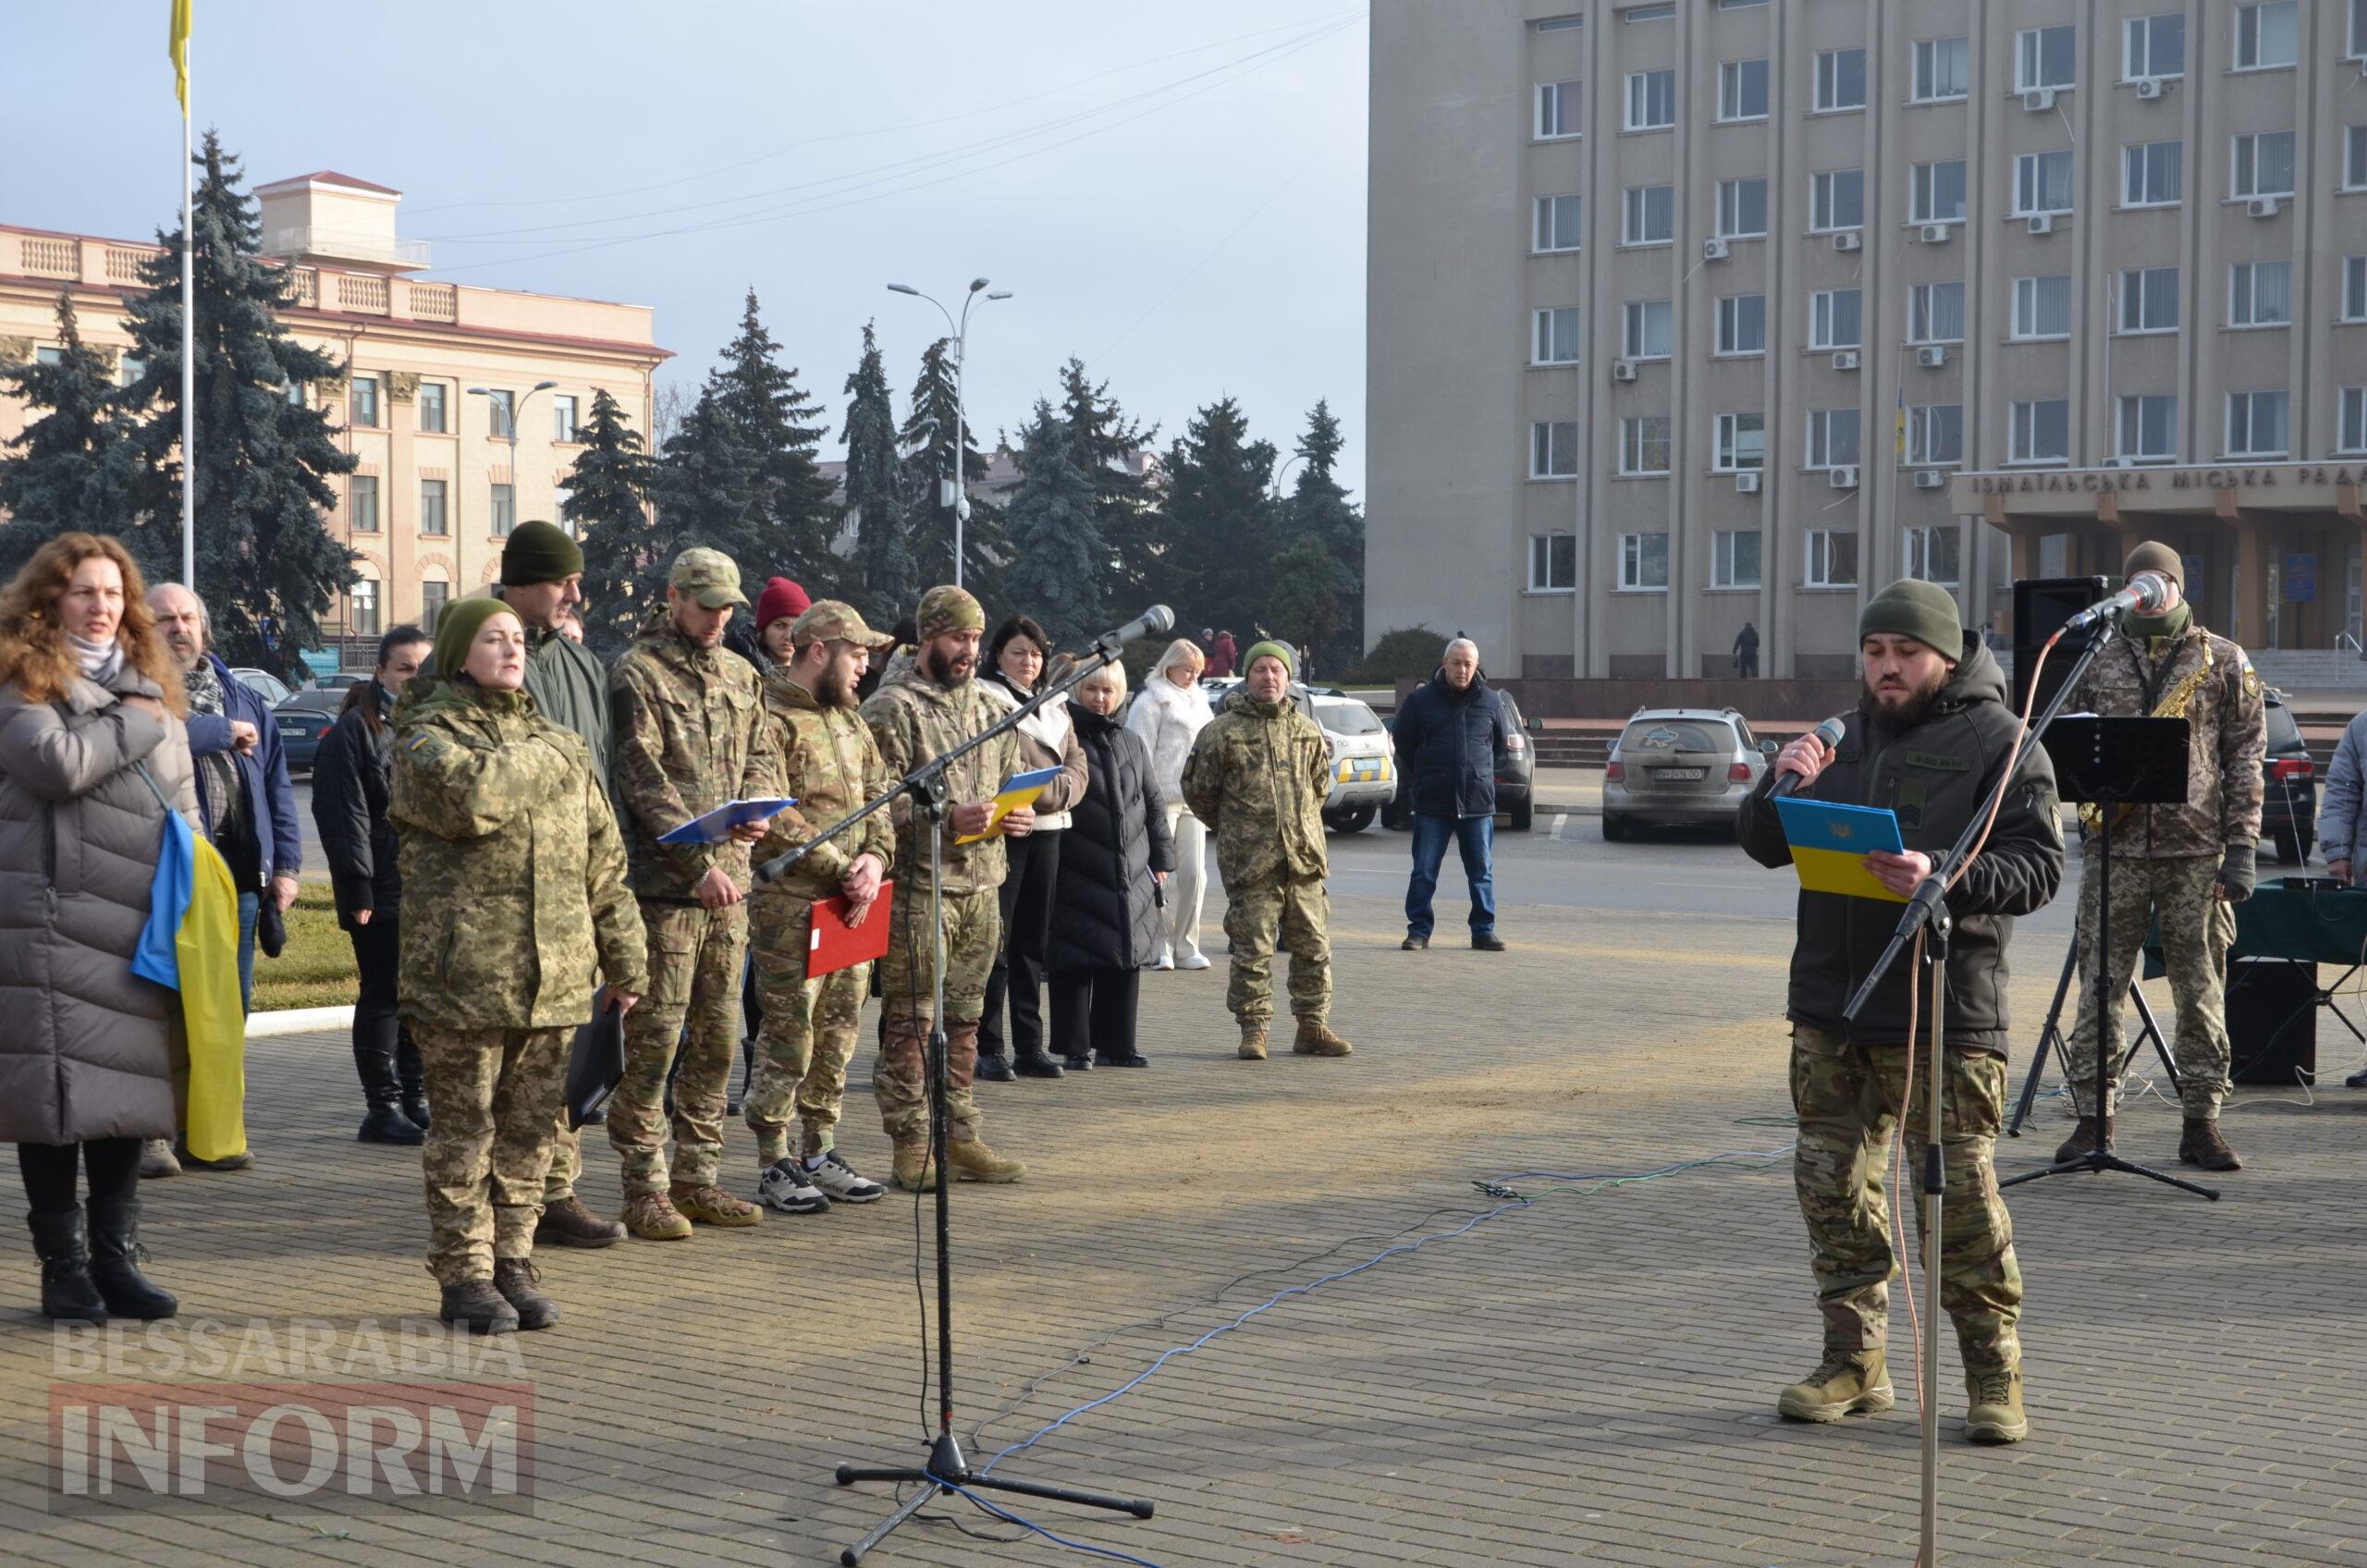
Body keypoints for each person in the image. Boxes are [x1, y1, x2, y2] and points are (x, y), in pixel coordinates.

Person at [1738, 577, 2063, 1446]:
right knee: (1832, 1195)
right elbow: (1765, 845)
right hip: (1833, 1008)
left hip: (1944, 1013)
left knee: (1958, 1207)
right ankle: (1855, 1362)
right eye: (1875, 652)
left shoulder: (2000, 741)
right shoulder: (1838, 738)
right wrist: (1779, 781)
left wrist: (1941, 873)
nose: (1887, 669)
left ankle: (1995, 1375)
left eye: (1905, 653)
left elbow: (2038, 868)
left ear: (1945, 658)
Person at [390, 598, 646, 1332]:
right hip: (463, 979)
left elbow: (604, 860)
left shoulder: (556, 740)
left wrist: (626, 962)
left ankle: (512, 1259)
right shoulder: (423, 733)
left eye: (515, 640)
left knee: (535, 1135)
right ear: (457, 653)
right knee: (465, 1134)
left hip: (556, 980)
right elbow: (477, 798)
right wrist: (555, 752)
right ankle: (464, 1275)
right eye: (492, 639)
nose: (511, 650)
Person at [0, 533, 195, 1324]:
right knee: (53, 1104)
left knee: (126, 1098)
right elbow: (55, 766)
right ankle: (62, 1268)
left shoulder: (151, 685)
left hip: (135, 924)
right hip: (49, 920)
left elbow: (180, 802)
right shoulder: (21, 679)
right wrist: (137, 722)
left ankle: (117, 1261)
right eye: (85, 591)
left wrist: (198, 890)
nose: (103, 606)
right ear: (49, 598)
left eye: (115, 593)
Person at [2056, 542, 2264, 1173]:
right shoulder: (2098, 655)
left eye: (2157, 582)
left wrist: (2243, 848)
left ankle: (2202, 1123)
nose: (2147, 591)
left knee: (2200, 991)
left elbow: (2246, 758)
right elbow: (2063, 740)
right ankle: (2094, 1123)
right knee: (2099, 989)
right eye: (2137, 583)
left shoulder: (2222, 659)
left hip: (2196, 854)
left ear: (2175, 586)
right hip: (2113, 847)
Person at [605, 549, 776, 1239]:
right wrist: (698, 862)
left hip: (731, 890)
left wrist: (760, 807)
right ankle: (643, 1187)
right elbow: (641, 777)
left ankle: (697, 1178)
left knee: (716, 1043)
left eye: (728, 607)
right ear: (673, 597)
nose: (718, 618)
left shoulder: (741, 672)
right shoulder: (636, 672)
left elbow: (762, 747)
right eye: (706, 605)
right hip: (669, 895)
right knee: (655, 1044)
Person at [861, 584, 1032, 1190]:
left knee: (964, 1022)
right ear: (928, 637)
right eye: (958, 637)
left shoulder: (989, 707)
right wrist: (941, 817)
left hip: (983, 888)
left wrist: (1017, 812)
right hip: (920, 890)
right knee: (912, 1023)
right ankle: (911, 1144)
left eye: (976, 639)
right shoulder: (891, 708)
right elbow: (870, 802)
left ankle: (958, 1135)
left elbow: (1011, 777)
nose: (969, 650)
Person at [497, 520, 631, 1251]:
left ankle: (557, 1191)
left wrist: (614, 877)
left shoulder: (582, 665)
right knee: (515, 1057)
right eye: (561, 580)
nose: (576, 593)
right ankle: (505, 1197)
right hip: (513, 894)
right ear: (520, 581)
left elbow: (601, 773)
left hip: (581, 883)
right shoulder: (484, 653)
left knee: (570, 1045)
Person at [742, 601, 896, 1215]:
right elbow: (770, 807)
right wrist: (841, 867)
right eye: (857, 654)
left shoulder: (853, 723)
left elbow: (882, 794)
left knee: (838, 1034)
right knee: (790, 1035)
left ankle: (818, 1148)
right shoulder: (770, 718)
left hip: (854, 906)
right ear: (818, 652)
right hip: (793, 906)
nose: (864, 667)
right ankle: (773, 1158)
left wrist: (877, 860)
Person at [146, 583, 299, 1175]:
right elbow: (148, 744)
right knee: (161, 1011)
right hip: (164, 881)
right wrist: (218, 731)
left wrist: (285, 868)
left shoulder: (244, 695)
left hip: (237, 882)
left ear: (204, 629)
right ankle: (153, 1133)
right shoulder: (132, 691)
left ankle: (213, 1135)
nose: (178, 628)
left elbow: (278, 788)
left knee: (226, 1016)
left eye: (187, 618)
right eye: (164, 619)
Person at [1182, 641, 1352, 1062]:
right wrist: (1238, 830)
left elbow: (1320, 787)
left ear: (1289, 678)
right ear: (1248, 676)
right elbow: (1199, 792)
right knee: (1252, 951)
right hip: (1251, 865)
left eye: (1277, 670)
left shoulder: (1306, 730)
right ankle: (1254, 1030)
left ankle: (1312, 1027)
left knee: (1313, 946)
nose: (1269, 677)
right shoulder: (1222, 732)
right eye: (1260, 670)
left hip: (1304, 861)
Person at [311, 625, 435, 1145]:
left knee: (418, 997)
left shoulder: (429, 724)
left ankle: (415, 1096)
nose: (413, 679)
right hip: (381, 886)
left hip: (425, 886)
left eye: (422, 670)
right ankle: (381, 1108)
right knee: (383, 994)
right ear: (381, 671)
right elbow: (346, 817)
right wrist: (358, 888)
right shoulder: (355, 731)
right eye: (404, 669)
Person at [975, 616, 1088, 1081]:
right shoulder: (987, 700)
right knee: (996, 946)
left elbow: (1078, 767)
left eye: (1036, 653)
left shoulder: (1057, 705)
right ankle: (989, 1047)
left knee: (1031, 945)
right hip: (1007, 832)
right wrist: (1043, 793)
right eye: (1019, 652)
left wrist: (1056, 793)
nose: (1029, 661)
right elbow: (1003, 770)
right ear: (999, 655)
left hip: (1051, 831)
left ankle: (1029, 1045)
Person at [1049, 661, 1173, 1069]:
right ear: (1077, 691)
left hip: (1131, 864)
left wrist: (1162, 857)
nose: (1100, 699)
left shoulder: (1132, 742)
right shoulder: (1065, 737)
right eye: (1092, 690)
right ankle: (1074, 1046)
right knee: (1075, 958)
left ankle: (1118, 1044)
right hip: (1078, 863)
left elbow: (1153, 803)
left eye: (1108, 691)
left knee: (1126, 953)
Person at [1392, 637, 1510, 953]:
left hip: (1477, 803)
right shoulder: (1420, 702)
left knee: (1481, 872)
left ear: (1477, 666)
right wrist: (1428, 774)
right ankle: (1419, 931)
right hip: (1433, 801)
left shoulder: (1491, 701)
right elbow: (1403, 744)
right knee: (1424, 871)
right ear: (1444, 664)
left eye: (1469, 664)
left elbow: (1498, 748)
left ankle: (1483, 931)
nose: (1462, 670)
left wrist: (1479, 774)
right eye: (1457, 663)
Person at [1125, 638, 1215, 971]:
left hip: (1192, 800)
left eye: (1197, 671)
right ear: (1170, 665)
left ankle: (1186, 945)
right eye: (1187, 669)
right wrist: (1142, 801)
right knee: (1156, 875)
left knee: (1196, 874)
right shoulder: (1150, 703)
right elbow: (1139, 754)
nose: (1193, 676)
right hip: (1158, 799)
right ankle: (1159, 943)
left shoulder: (1201, 702)